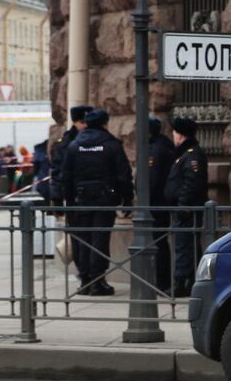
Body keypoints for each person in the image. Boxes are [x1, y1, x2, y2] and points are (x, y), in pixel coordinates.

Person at [56, 108, 131, 296]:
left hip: (79, 200)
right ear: (105, 123)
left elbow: (65, 176)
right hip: (104, 199)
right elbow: (124, 175)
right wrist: (127, 200)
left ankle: (86, 280)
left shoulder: (75, 145)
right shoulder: (111, 144)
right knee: (99, 239)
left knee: (83, 240)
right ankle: (97, 281)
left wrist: (68, 201)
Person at [165, 116, 209, 297]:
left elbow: (191, 183)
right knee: (187, 245)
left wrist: (183, 205)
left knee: (184, 247)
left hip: (187, 210)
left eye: (174, 133)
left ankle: (181, 282)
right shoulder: (184, 153)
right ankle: (189, 280)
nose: (173, 136)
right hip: (182, 208)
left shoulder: (191, 155)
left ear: (180, 135)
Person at [147, 116, 178, 294]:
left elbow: (152, 179)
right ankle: (160, 280)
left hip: (157, 204)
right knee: (158, 243)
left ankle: (162, 282)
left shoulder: (157, 150)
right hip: (158, 203)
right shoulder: (160, 146)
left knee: (159, 243)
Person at [48, 105, 90, 203]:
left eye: (88, 122)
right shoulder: (66, 143)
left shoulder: (101, 139)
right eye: (82, 122)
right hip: (74, 194)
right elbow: (57, 170)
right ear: (75, 122)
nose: (86, 126)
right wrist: (56, 197)